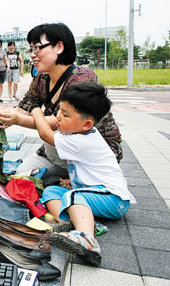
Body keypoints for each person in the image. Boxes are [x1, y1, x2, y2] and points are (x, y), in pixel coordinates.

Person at [0, 23, 122, 185]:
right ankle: (64, 177)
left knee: (37, 170)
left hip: (90, 158)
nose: (32, 55)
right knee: (20, 178)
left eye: (37, 48)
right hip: (57, 152)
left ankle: (83, 179)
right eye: (31, 49)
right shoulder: (42, 80)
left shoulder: (82, 79)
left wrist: (18, 119)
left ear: (59, 47)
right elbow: (22, 110)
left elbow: (59, 123)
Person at [31, 82, 135, 266]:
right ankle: (72, 223)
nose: (58, 117)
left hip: (115, 199)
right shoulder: (79, 133)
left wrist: (36, 111)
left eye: (65, 114)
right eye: (59, 111)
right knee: (51, 193)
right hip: (97, 195)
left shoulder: (82, 140)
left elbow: (46, 134)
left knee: (72, 196)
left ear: (86, 124)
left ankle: (87, 238)